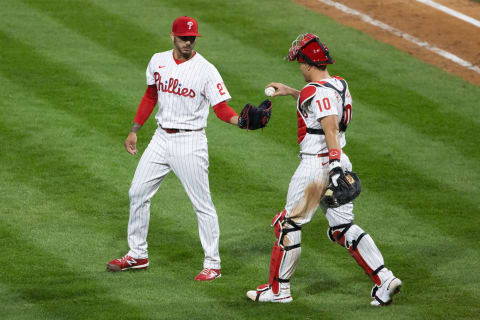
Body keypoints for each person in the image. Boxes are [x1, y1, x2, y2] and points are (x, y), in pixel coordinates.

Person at [246, 33, 402, 305]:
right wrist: (290, 90)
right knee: (342, 227)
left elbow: (329, 126)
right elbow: (323, 104)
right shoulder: (339, 84)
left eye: (300, 63)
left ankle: (278, 290)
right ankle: (385, 279)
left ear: (308, 64)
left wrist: (333, 169)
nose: (299, 67)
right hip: (339, 159)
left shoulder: (314, 92)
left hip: (319, 167)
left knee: (287, 224)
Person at [106, 16, 254, 281]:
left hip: (190, 142)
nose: (188, 42)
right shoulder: (158, 60)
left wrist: (240, 120)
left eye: (192, 38)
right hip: (160, 139)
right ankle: (138, 254)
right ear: (172, 37)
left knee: (202, 205)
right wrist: (134, 130)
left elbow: (220, 108)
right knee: (137, 193)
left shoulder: (206, 69)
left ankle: (213, 264)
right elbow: (150, 96)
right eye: (184, 38)